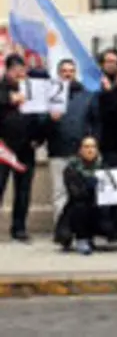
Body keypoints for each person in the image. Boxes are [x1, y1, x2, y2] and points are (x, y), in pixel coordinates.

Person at [57, 136, 117, 255]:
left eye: (93, 147)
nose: (90, 150)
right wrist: (89, 186)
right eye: (86, 147)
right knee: (80, 207)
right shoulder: (71, 168)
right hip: (79, 208)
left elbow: (115, 190)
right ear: (80, 150)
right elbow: (75, 193)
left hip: (99, 207)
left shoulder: (104, 167)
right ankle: (82, 238)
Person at [0, 54, 46, 241]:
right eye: (16, 71)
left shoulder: (32, 88)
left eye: (23, 70)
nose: (20, 74)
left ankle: (19, 228)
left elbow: (41, 115)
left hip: (26, 147)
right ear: (8, 71)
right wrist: (9, 99)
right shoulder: (2, 89)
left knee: (24, 190)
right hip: (3, 147)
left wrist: (39, 138)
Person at [45, 59, 97, 224]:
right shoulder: (49, 96)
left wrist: (92, 145)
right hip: (58, 150)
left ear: (76, 73)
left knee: (83, 191)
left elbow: (95, 122)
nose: (68, 74)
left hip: (82, 153)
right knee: (59, 191)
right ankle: (61, 227)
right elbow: (40, 124)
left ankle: (82, 227)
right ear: (58, 74)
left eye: (71, 71)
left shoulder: (88, 96)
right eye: (64, 71)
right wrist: (50, 119)